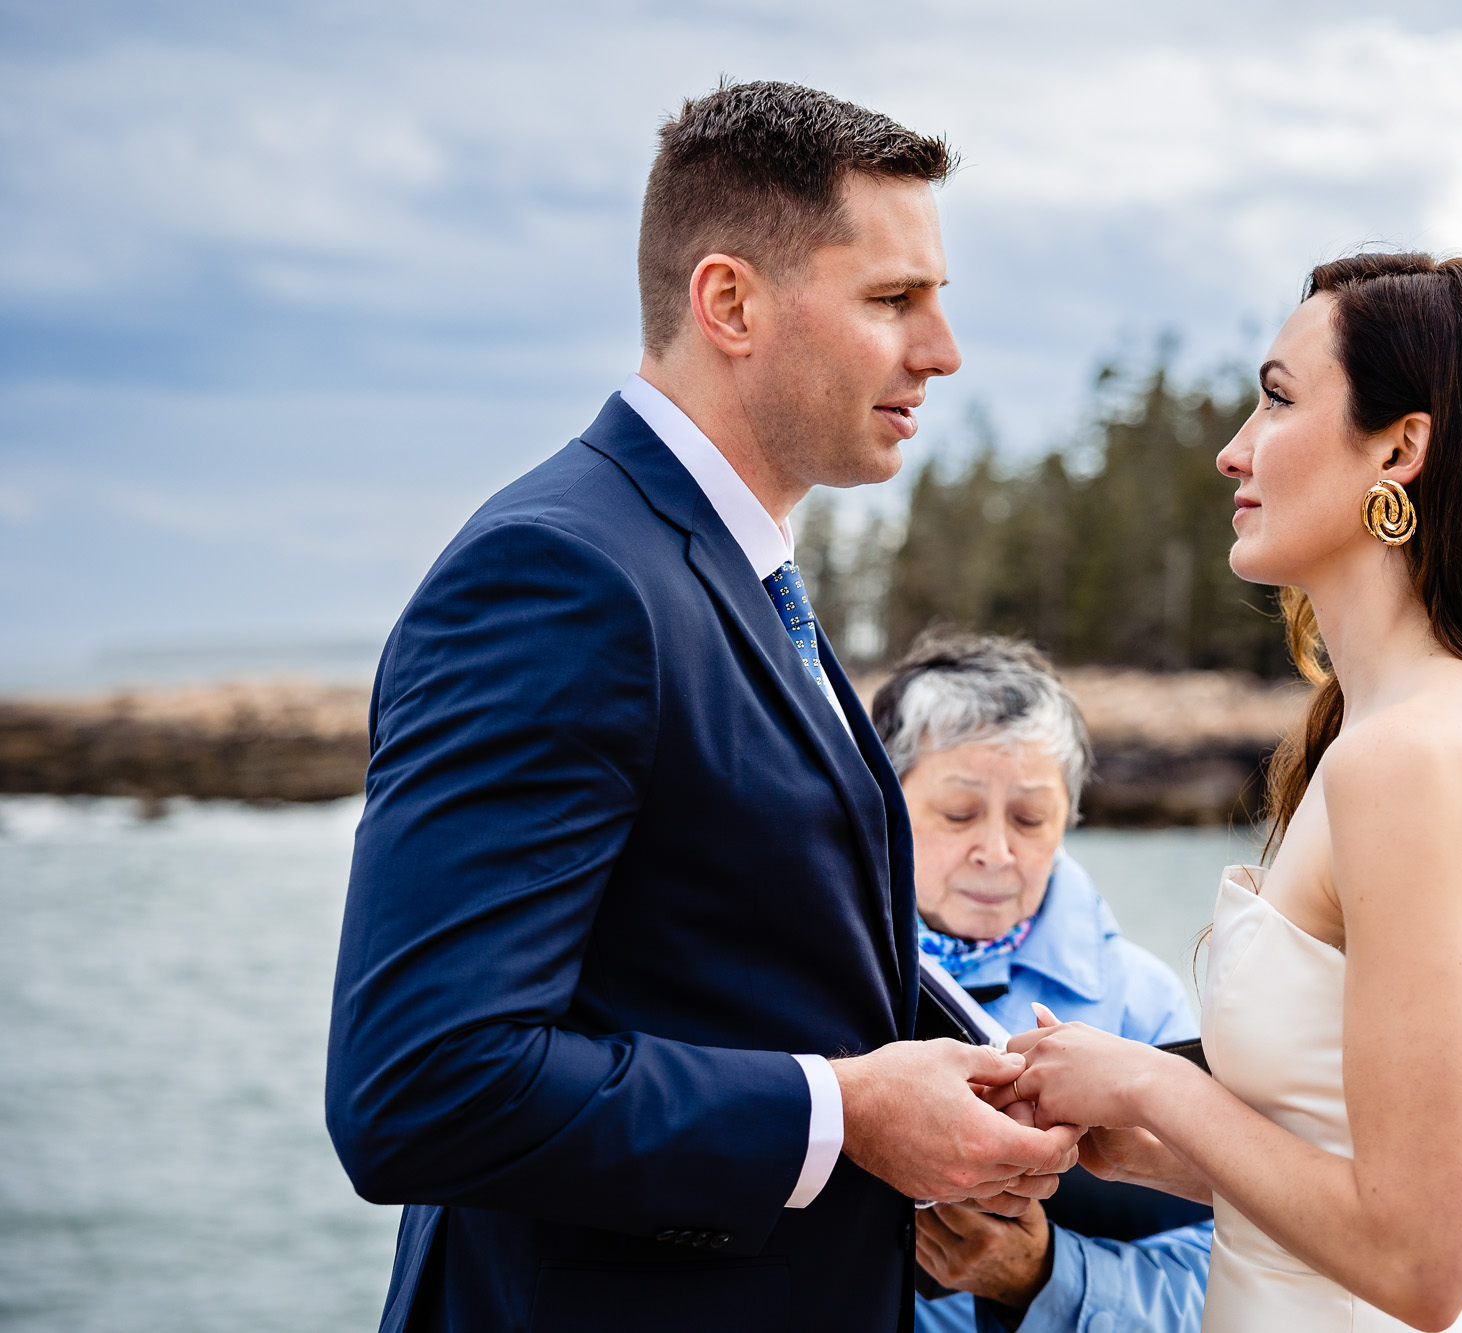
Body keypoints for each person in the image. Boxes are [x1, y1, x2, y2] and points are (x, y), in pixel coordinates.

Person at [324, 82, 1081, 1333]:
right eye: (893, 300)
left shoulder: (734, 570)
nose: (941, 350)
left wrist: (1140, 1112)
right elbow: (422, 1085)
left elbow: (761, 968)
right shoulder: (561, 576)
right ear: (728, 301)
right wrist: (839, 1115)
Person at [1000, 254, 1462, 1333]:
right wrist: (1157, 1150)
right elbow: (1418, 1187)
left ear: (1398, 448)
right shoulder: (1437, 728)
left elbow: (1420, 1263)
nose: (1232, 450)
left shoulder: (1406, 760)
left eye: (1276, 398)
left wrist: (1151, 1084)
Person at [867, 632, 1212, 1333]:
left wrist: (1043, 1277)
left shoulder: (1142, 1002)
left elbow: (1228, 1281)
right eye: (958, 813)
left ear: (1069, 819)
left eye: (1030, 818)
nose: (996, 851)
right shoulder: (808, 965)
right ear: (883, 803)